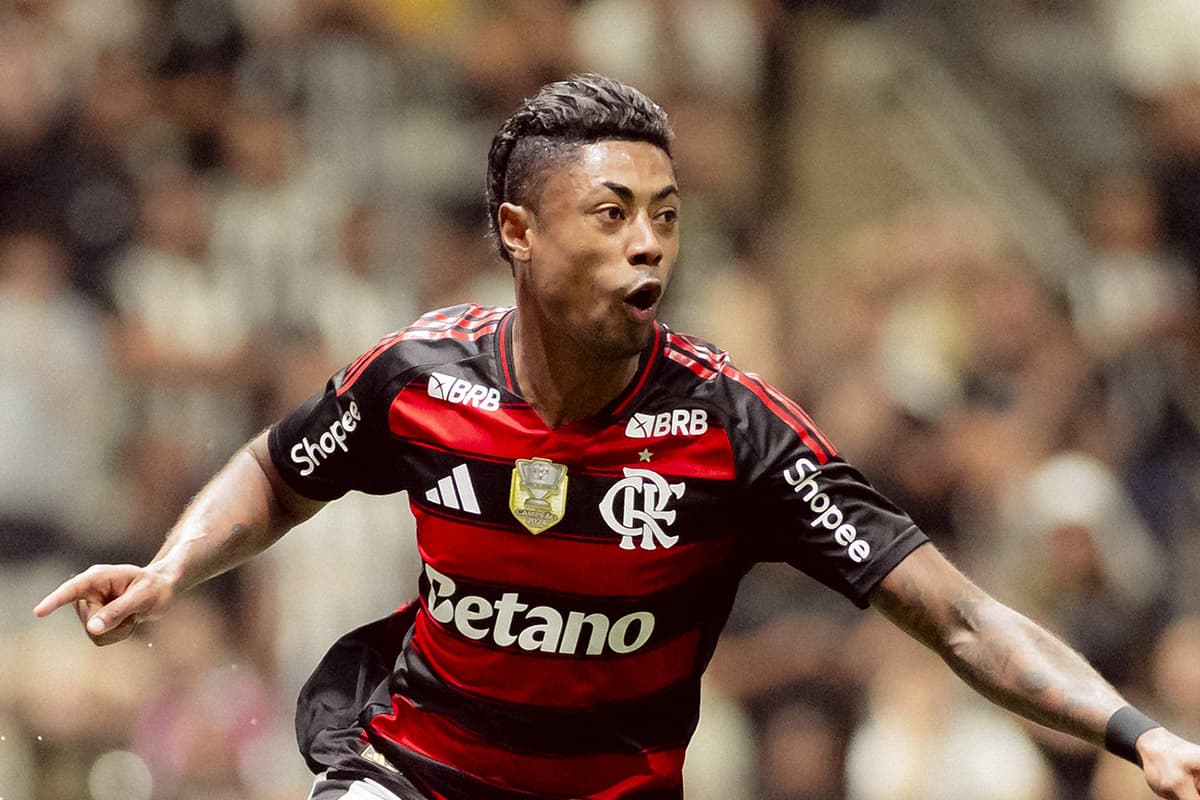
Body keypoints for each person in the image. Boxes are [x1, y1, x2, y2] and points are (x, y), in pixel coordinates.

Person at [34, 73, 1200, 800]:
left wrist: (1136, 732)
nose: (650, 243)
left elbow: (958, 614)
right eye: (611, 213)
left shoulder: (734, 429)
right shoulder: (418, 375)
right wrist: (175, 566)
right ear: (517, 231)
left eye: (668, 216)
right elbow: (278, 470)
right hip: (414, 768)